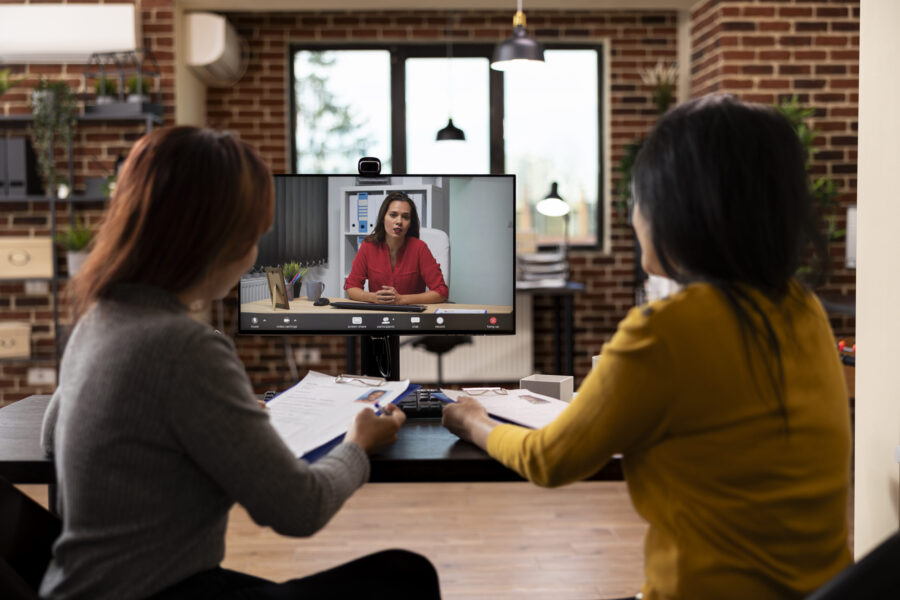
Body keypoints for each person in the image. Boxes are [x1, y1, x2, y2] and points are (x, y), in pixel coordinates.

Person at [442, 95, 851, 600]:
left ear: (682, 210)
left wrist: (471, 420)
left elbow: (550, 459)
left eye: (639, 198)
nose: (635, 217)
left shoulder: (668, 328)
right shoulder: (803, 307)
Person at [40, 127, 441, 600]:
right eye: (253, 236)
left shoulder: (100, 317)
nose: (254, 252)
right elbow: (299, 509)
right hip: (157, 593)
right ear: (212, 238)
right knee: (405, 577)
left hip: (80, 586)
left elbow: (52, 436)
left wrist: (213, 426)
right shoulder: (184, 346)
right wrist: (360, 440)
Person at [344, 191, 449, 304]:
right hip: (378, 314)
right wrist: (372, 297)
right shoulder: (368, 246)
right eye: (393, 215)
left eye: (405, 217)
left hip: (411, 315)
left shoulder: (419, 248)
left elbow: (441, 292)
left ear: (410, 223)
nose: (399, 221)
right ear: (383, 218)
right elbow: (351, 287)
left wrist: (401, 299)